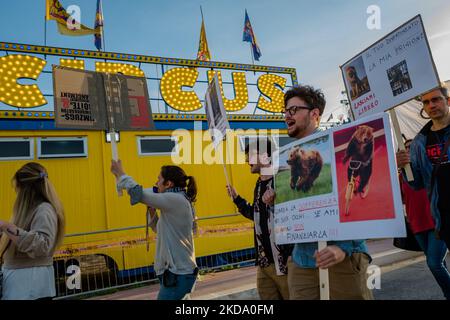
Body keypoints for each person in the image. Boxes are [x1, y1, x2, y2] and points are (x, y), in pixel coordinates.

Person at [264, 85, 373, 300]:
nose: (287, 115)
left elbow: (358, 199)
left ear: (314, 114)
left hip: (342, 258)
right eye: (285, 111)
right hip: (301, 262)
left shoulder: (340, 144)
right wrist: (276, 200)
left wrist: (343, 248)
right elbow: (297, 204)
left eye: (293, 110)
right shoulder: (287, 155)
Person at [110, 160, 198, 300]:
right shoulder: (179, 199)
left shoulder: (175, 199)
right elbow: (161, 230)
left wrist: (120, 173)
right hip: (178, 274)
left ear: (169, 184)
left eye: (159, 179)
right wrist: (152, 211)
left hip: (177, 275)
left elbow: (139, 194)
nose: (156, 183)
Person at [226, 139, 292, 300]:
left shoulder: (284, 179)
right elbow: (255, 214)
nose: (247, 160)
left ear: (265, 157)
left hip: (284, 261)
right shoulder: (259, 184)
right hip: (264, 261)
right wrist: (237, 199)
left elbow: (294, 215)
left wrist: (275, 203)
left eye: (250, 155)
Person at [0, 162, 65, 300]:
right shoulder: (31, 210)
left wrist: (7, 227)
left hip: (30, 285)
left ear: (25, 189)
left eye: (17, 188)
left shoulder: (44, 210)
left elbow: (42, 245)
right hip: (23, 284)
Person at [397, 84, 450, 249]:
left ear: (447, 101)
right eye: (426, 102)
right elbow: (417, 183)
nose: (431, 105)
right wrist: (405, 167)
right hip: (444, 219)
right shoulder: (420, 142)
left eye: (436, 100)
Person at [398, 139, 450, 299]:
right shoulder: (402, 177)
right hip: (417, 225)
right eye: (405, 148)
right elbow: (400, 198)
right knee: (436, 263)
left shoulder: (431, 169)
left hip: (436, 223)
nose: (408, 151)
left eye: (412, 148)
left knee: (433, 263)